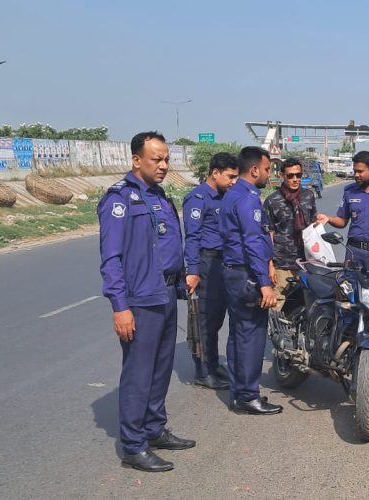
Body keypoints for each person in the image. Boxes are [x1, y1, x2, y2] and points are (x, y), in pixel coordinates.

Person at [99, 131, 195, 472]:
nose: (164, 165)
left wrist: (183, 278)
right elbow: (111, 259)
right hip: (140, 299)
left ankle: (154, 429)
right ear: (137, 160)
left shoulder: (159, 196)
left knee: (161, 369)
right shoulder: (120, 200)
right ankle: (133, 445)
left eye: (167, 159)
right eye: (157, 159)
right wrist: (120, 307)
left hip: (165, 293)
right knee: (139, 373)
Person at [219, 146, 283, 415]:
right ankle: (248, 396)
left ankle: (239, 393)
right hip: (246, 274)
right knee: (252, 335)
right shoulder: (248, 198)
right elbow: (253, 241)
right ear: (255, 169)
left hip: (233, 272)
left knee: (238, 334)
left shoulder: (231, 194)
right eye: (268, 169)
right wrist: (264, 283)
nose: (269, 174)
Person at [182, 152, 239, 390]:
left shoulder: (225, 197)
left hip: (223, 262)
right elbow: (192, 237)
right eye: (230, 176)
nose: (234, 181)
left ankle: (213, 364)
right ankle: (203, 371)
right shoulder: (198, 198)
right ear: (215, 173)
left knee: (216, 319)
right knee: (204, 319)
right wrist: (193, 271)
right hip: (207, 262)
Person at [263, 157, 318, 310]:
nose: (295, 179)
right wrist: (270, 266)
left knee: (304, 308)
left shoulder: (308, 196)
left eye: (298, 175)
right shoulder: (272, 201)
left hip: (304, 264)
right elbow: (268, 235)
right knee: (276, 308)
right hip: (281, 265)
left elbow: (313, 227)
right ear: (282, 176)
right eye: (290, 175)